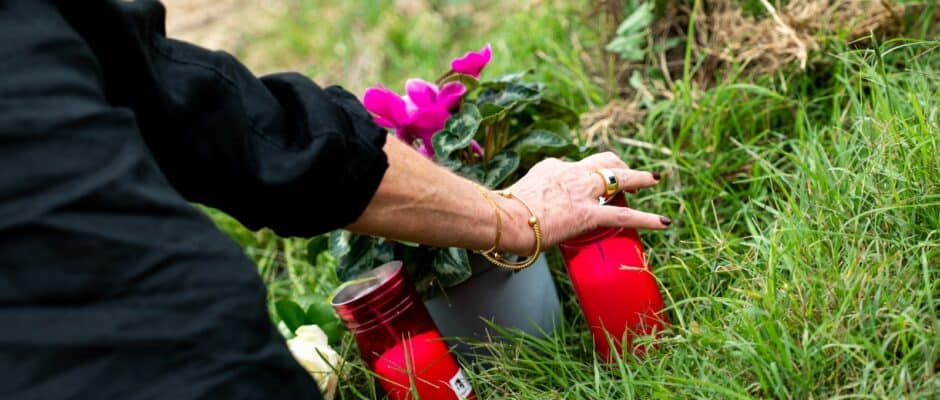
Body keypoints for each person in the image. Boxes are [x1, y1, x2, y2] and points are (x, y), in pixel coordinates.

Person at [0, 1, 671, 398]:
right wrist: (512, 216)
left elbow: (233, 124)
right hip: (186, 354)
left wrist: (512, 217)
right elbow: (238, 126)